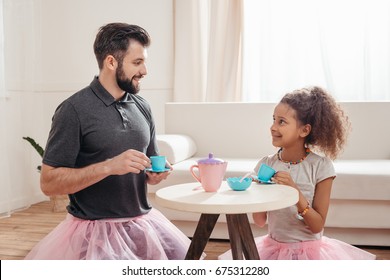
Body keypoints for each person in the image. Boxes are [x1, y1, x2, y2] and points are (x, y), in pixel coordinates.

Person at [25, 23, 191, 260]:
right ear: (111, 62)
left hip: (143, 225)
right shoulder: (73, 110)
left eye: (144, 62)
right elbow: (49, 184)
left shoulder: (142, 106)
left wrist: (154, 174)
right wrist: (108, 166)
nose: (145, 71)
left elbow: (148, 168)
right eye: (137, 62)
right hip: (93, 234)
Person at [220, 86, 376, 260]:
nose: (272, 127)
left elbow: (317, 226)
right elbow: (260, 221)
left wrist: (295, 193)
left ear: (304, 130)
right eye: (273, 120)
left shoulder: (321, 167)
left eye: (282, 122)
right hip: (273, 248)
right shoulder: (266, 163)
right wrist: (259, 192)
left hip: (309, 253)